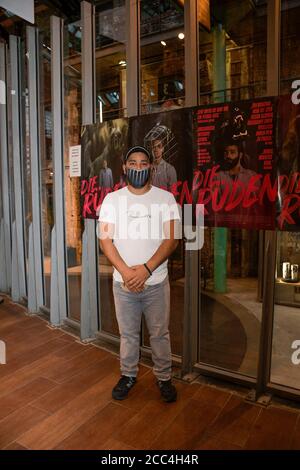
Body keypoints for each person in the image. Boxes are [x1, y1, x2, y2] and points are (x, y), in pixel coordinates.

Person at [98, 145, 181, 403]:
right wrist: (126, 273)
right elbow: (105, 240)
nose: (137, 167)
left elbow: (172, 239)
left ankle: (164, 378)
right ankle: (128, 374)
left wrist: (145, 271)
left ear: (151, 167)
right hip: (123, 285)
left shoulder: (165, 199)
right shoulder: (112, 199)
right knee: (128, 335)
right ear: (124, 167)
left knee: (160, 334)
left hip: (155, 282)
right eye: (132, 163)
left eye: (143, 163)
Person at [144, 125, 177, 191]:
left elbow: (173, 193)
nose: (156, 149)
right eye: (154, 147)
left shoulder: (170, 169)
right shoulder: (147, 168)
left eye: (159, 146)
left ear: (163, 149)